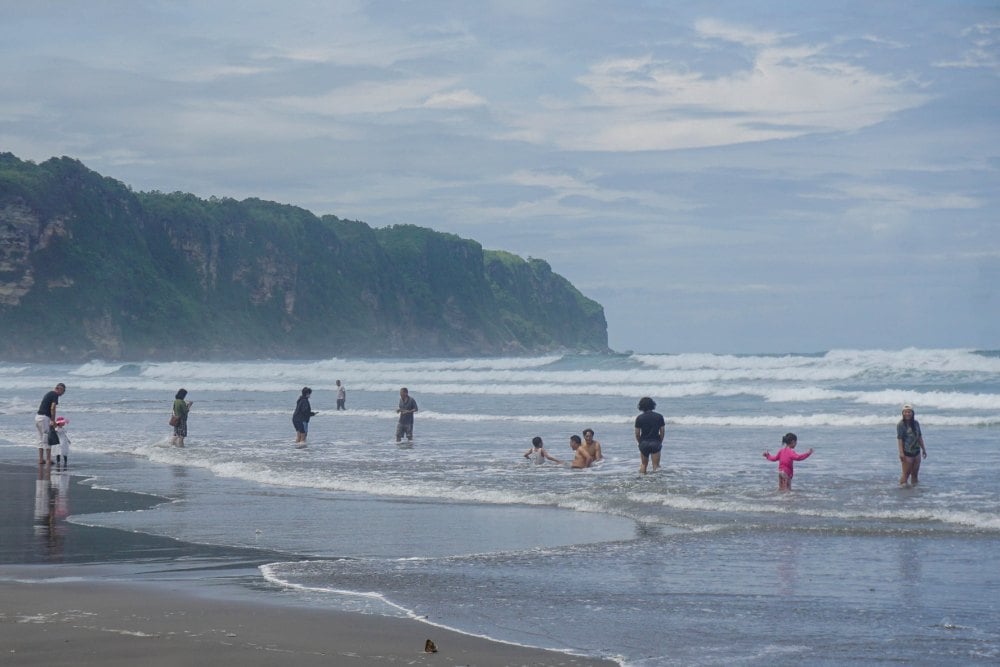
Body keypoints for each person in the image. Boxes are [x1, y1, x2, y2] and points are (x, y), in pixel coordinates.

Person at [35, 383, 66, 465]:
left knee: (40, 438)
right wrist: (53, 420)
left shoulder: (49, 394)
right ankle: (48, 460)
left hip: (38, 417)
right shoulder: (54, 395)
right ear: (58, 389)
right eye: (63, 391)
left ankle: (41, 459)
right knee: (47, 439)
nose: (63, 393)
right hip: (45, 418)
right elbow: (52, 407)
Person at [897, 404, 927, 486]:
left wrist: (923, 449)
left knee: (915, 475)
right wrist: (901, 453)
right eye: (905, 412)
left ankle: (914, 494)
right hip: (907, 453)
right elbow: (900, 439)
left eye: (909, 412)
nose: (907, 414)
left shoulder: (916, 423)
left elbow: (919, 436)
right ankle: (902, 492)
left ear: (912, 413)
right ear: (903, 413)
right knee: (905, 476)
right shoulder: (901, 424)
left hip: (917, 452)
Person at [634, 396, 665, 474]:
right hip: (655, 442)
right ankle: (656, 483)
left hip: (644, 442)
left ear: (641, 406)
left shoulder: (639, 418)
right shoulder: (659, 416)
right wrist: (660, 441)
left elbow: (637, 434)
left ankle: (642, 482)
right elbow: (662, 432)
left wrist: (640, 443)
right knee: (656, 465)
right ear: (652, 405)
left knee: (644, 464)